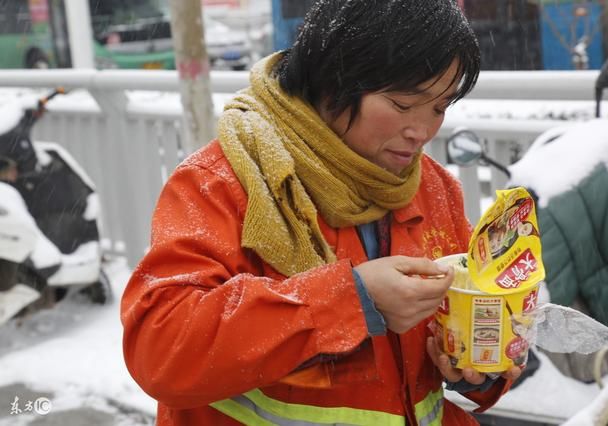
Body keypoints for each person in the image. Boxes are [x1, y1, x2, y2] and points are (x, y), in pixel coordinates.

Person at [121, 1, 522, 424]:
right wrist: (351, 299)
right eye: (404, 105)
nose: (421, 131)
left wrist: (475, 369)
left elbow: (466, 319)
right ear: (334, 80)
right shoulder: (221, 182)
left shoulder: (433, 188)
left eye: (439, 108)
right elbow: (161, 348)